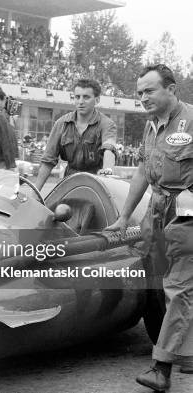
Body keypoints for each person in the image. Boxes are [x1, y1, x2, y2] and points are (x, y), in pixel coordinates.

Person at [106, 64, 193, 391]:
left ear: (171, 89)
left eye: (150, 90)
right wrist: (125, 216)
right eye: (140, 92)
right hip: (156, 212)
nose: (143, 97)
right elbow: (143, 170)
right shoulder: (151, 125)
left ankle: (162, 367)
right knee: (163, 284)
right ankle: (187, 353)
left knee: (179, 287)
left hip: (186, 211)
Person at [35, 79, 117, 191]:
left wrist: (107, 169)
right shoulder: (61, 123)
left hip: (96, 184)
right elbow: (48, 160)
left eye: (86, 97)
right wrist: (35, 192)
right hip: (69, 182)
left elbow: (109, 149)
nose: (81, 101)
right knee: (60, 209)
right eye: (77, 97)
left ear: (97, 100)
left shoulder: (107, 124)